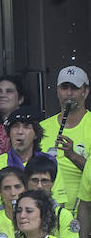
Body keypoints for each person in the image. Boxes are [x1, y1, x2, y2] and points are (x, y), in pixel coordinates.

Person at [41, 65, 90, 210]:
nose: (69, 93)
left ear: (85, 92)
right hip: (45, 211)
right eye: (64, 87)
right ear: (57, 91)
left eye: (74, 88)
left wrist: (73, 155)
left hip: (82, 210)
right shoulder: (42, 127)